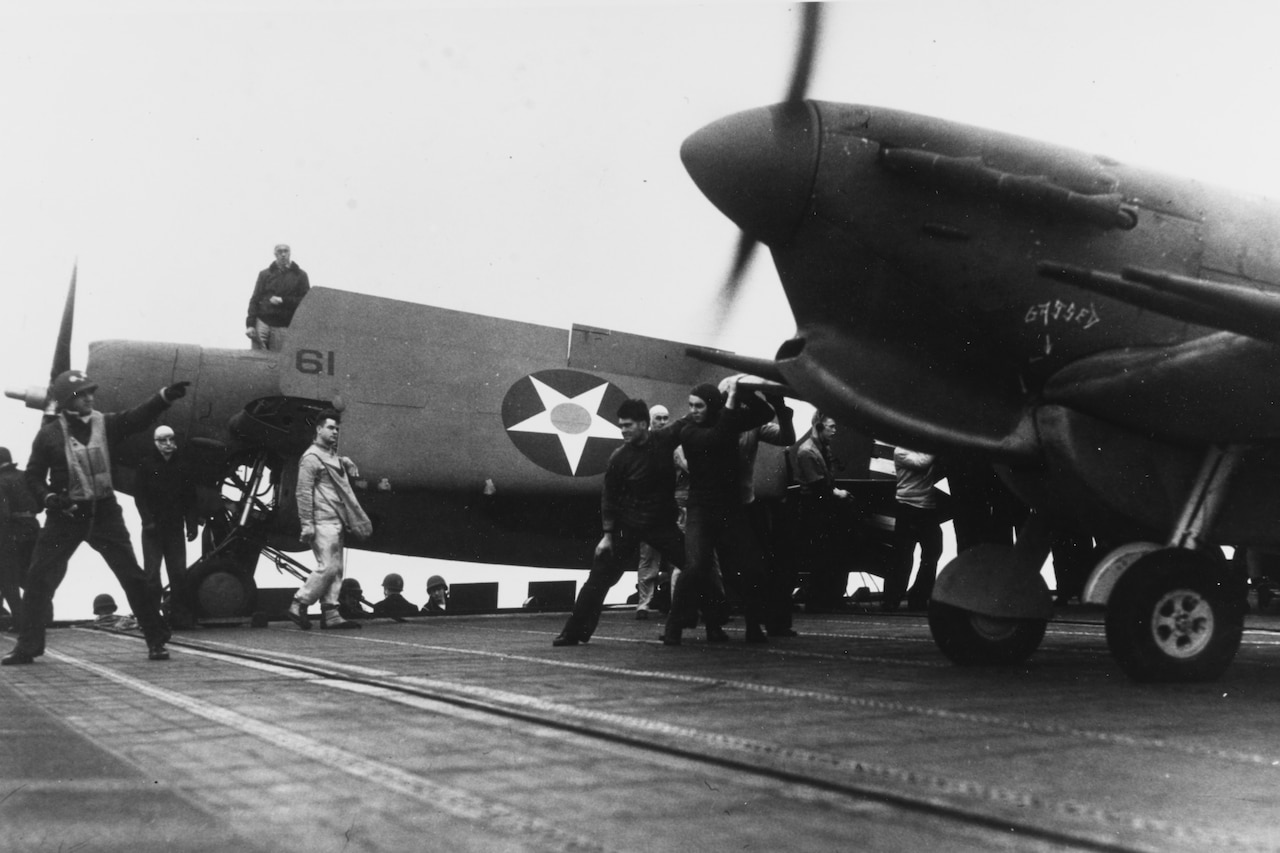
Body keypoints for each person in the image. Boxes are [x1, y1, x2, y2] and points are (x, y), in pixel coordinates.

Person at [3, 370, 188, 665]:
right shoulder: (48, 435)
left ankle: (156, 639)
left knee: (133, 577)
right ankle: (28, 646)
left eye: (91, 392)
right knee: (39, 580)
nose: (90, 397)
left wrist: (163, 398)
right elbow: (35, 476)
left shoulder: (106, 423)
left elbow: (137, 418)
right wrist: (49, 498)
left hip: (104, 513)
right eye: (82, 394)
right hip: (65, 515)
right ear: (66, 401)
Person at [553, 399, 687, 646]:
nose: (623, 430)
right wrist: (607, 535)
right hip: (630, 524)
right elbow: (609, 497)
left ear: (644, 425)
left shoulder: (664, 439)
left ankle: (688, 625)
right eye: (620, 426)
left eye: (628, 425)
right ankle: (573, 632)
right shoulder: (620, 457)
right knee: (599, 577)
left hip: (662, 525)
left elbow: (690, 420)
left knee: (693, 567)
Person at [661, 377, 779, 646]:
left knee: (750, 568)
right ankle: (674, 625)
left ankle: (751, 626)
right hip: (701, 507)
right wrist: (732, 399)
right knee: (696, 567)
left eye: (699, 405)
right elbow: (718, 436)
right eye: (691, 405)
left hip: (730, 508)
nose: (693, 410)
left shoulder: (727, 419)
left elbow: (765, 413)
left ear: (711, 406)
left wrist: (742, 392)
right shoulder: (689, 431)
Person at [287, 409, 371, 630]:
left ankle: (331, 613)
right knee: (329, 567)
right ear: (318, 429)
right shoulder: (310, 459)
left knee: (337, 569)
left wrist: (345, 462)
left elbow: (332, 469)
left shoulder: (331, 456)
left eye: (337, 429)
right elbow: (303, 492)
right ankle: (299, 602)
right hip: (322, 521)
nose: (335, 432)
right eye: (331, 428)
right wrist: (307, 524)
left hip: (336, 520)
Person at [736, 394, 797, 636]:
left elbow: (786, 437)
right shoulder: (718, 424)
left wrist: (780, 408)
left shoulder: (754, 427)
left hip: (750, 502)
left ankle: (766, 623)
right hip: (722, 503)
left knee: (762, 565)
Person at [134, 425, 200, 629]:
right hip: (152, 530)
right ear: (155, 443)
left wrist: (191, 523)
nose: (168, 444)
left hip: (175, 529)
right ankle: (151, 619)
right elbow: (140, 497)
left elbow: (190, 498)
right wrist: (147, 521)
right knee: (152, 576)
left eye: (171, 439)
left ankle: (179, 617)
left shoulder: (184, 466)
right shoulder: (145, 465)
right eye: (163, 440)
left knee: (178, 574)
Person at [793, 411, 853, 613]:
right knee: (820, 555)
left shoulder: (822, 448)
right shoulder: (807, 452)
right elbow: (818, 485)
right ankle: (818, 599)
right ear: (819, 427)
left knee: (830, 554)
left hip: (824, 506)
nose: (835, 431)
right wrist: (838, 493)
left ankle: (830, 597)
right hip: (814, 507)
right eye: (831, 427)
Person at [887, 447, 943, 612]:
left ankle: (918, 597)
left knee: (933, 552)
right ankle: (892, 599)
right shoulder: (901, 451)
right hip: (907, 508)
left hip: (927, 508)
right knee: (903, 555)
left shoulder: (921, 450)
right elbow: (922, 463)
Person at [633, 404, 672, 620]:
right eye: (658, 418)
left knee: (676, 559)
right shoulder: (641, 446)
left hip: (670, 508)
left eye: (666, 418)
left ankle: (678, 602)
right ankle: (643, 604)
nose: (663, 422)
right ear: (650, 420)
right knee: (648, 559)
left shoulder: (673, 445)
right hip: (649, 510)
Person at [0, 446, 39, 633]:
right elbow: (40, 504)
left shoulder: (0, 481)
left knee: (8, 580)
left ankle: (20, 621)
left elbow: (3, 515)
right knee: (31, 576)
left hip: (11, 534)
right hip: (33, 529)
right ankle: (44, 617)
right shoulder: (25, 476)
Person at [245, 243, 310, 351]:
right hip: (262, 322)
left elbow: (305, 301)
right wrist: (250, 325)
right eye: (280, 252)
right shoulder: (265, 274)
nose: (283, 254)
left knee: (278, 361)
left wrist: (283, 300)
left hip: (283, 325)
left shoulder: (300, 275)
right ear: (275, 254)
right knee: (257, 359)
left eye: (286, 251)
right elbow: (255, 299)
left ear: (290, 253)